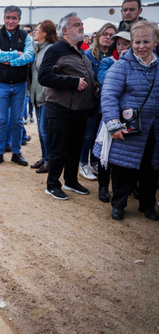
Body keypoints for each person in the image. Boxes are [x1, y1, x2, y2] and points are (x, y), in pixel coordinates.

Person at [99, 21, 159, 221]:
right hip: (129, 126)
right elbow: (109, 96)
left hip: (154, 128)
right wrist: (113, 124)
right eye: (137, 42)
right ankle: (119, 205)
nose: (141, 46)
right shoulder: (122, 66)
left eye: (146, 41)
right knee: (122, 169)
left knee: (150, 170)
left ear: (155, 42)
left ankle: (147, 205)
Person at [38, 12, 98, 200]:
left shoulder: (79, 50)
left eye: (81, 24)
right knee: (59, 149)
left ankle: (71, 181)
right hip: (60, 108)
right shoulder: (56, 50)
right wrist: (73, 82)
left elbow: (85, 74)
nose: (81, 27)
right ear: (64, 30)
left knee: (75, 148)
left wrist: (94, 86)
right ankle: (52, 184)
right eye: (76, 25)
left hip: (80, 109)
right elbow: (44, 77)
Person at [0, 5, 34, 167]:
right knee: (1, 121)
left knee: (17, 121)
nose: (10, 21)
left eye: (14, 18)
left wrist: (9, 60)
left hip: (20, 85)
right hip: (0, 85)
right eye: (8, 17)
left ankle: (16, 153)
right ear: (4, 18)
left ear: (19, 20)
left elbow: (29, 56)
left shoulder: (25, 35)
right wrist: (17, 53)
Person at [93, 31, 131, 203]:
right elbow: (105, 80)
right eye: (119, 44)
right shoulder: (108, 61)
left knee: (125, 153)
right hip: (109, 113)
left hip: (130, 114)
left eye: (126, 44)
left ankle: (126, 188)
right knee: (105, 151)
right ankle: (103, 185)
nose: (121, 48)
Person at [79, 23, 117, 182]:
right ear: (98, 36)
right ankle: (83, 164)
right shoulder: (88, 55)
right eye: (105, 34)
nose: (108, 37)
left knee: (97, 135)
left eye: (111, 35)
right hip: (91, 101)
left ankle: (94, 162)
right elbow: (83, 75)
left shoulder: (114, 57)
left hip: (106, 103)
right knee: (87, 135)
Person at [30, 20, 58, 174]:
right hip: (37, 95)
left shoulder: (51, 50)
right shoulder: (38, 49)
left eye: (37, 29)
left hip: (47, 96)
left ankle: (49, 161)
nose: (35, 31)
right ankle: (44, 157)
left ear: (45, 33)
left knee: (45, 130)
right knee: (41, 131)